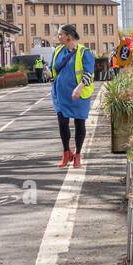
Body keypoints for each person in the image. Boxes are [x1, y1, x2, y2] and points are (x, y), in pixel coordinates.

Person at [49, 24, 95, 169]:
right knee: (62, 123)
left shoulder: (84, 52)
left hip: (79, 95)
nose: (58, 37)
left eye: (60, 34)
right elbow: (53, 69)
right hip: (61, 95)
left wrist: (79, 87)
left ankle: (78, 154)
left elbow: (89, 74)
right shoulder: (57, 50)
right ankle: (66, 153)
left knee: (79, 124)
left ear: (68, 37)